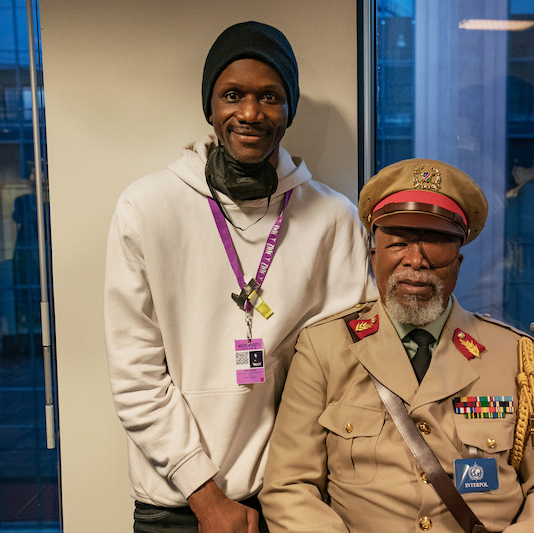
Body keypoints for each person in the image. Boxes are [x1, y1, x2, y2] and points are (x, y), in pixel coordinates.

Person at [104, 21, 374, 532]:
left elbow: (351, 365)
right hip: (177, 505)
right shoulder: (147, 207)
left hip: (296, 499)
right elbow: (135, 375)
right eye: (233, 95)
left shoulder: (333, 218)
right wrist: (206, 497)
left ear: (289, 109)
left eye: (270, 96)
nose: (250, 113)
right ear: (209, 106)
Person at [260, 158, 534, 532]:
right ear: (374, 255)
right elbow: (289, 486)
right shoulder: (324, 349)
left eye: (436, 242)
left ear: (458, 261)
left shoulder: (519, 358)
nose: (416, 261)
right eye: (398, 242)